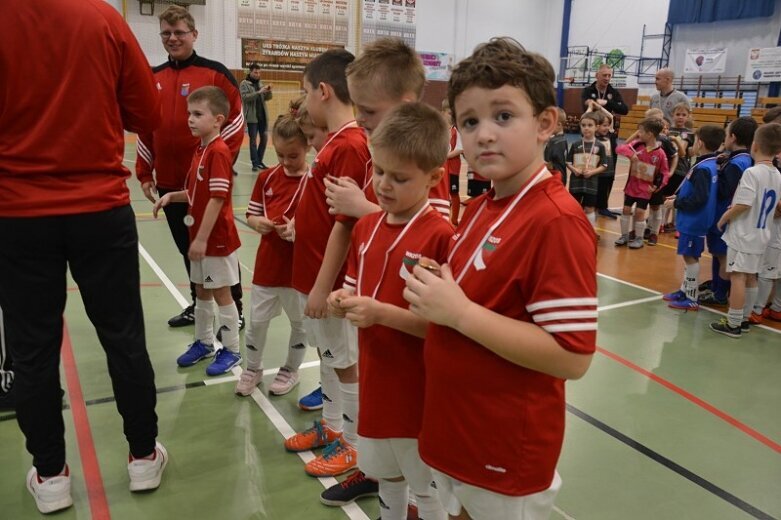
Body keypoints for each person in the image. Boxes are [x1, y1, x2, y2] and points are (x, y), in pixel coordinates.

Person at [403, 37, 596, 520]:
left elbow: (571, 357)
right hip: (459, 428)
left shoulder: (555, 220)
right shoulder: (484, 205)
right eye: (470, 121)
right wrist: (439, 287)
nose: (484, 134)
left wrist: (460, 312)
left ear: (545, 124)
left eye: (503, 116)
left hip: (505, 444)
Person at [0, 0, 166, 513]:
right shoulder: (103, 18)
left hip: (18, 213)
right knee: (123, 337)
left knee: (31, 351)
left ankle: (51, 474)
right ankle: (142, 455)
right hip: (99, 208)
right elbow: (148, 114)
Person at [328, 102, 451, 520]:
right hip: (376, 380)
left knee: (426, 486)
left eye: (399, 178)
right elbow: (351, 288)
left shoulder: (440, 237)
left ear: (434, 177)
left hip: (418, 391)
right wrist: (339, 302)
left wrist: (380, 313)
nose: (383, 185)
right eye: (378, 171)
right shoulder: (365, 227)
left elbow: (443, 328)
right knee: (387, 477)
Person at [283, 49, 371, 479]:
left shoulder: (351, 144)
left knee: (345, 359)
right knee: (330, 355)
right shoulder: (336, 142)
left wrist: (322, 286)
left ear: (323, 91)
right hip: (313, 272)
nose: (302, 100)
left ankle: (353, 444)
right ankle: (333, 427)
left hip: (331, 280)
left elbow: (347, 225)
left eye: (304, 91)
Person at [136, 5, 245, 330]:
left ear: (194, 34)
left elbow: (236, 121)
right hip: (170, 185)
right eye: (166, 33)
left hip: (206, 186)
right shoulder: (153, 77)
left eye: (179, 32)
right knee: (188, 250)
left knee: (218, 248)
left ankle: (235, 308)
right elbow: (145, 126)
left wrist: (216, 166)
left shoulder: (215, 74)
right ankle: (200, 306)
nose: (173, 38)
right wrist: (144, 171)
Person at [153, 87, 243, 375]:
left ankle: (231, 350)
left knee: (221, 294)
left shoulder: (218, 152)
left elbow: (217, 198)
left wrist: (202, 238)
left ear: (217, 120)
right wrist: (172, 197)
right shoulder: (201, 149)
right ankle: (204, 343)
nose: (190, 119)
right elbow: (196, 191)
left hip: (216, 240)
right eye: (188, 114)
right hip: (201, 238)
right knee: (202, 291)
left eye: (197, 114)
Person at [324, 38, 451, 220]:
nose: (359, 120)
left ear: (404, 106)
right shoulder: (382, 153)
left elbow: (432, 230)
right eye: (356, 107)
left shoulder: (424, 156)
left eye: (368, 110)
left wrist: (361, 207)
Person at [235, 114, 310, 397]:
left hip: (298, 271)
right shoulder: (267, 178)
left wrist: (299, 230)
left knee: (300, 324)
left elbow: (323, 226)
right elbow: (252, 213)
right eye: (280, 155)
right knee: (256, 323)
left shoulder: (315, 181)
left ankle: (291, 369)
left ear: (307, 149)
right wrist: (260, 224)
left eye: (293, 155)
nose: (286, 161)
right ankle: (252, 369)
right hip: (267, 266)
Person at [710, 123, 781, 338]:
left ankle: (733, 323)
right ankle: (745, 317)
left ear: (755, 145)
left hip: (744, 234)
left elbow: (744, 204)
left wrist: (723, 219)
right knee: (751, 277)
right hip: (762, 234)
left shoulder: (752, 172)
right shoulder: (778, 174)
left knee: (738, 277)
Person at [662, 125, 723, 311]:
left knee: (690, 257)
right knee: (689, 256)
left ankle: (691, 297)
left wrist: (677, 203)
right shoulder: (711, 163)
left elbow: (699, 198)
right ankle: (684, 290)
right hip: (696, 219)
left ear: (700, 143)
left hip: (694, 220)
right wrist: (679, 197)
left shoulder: (704, 168)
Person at [701, 117, 756, 306]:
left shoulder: (737, 163)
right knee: (718, 253)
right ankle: (717, 286)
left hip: (723, 215)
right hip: (725, 216)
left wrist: (717, 171)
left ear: (732, 137)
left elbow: (725, 190)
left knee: (723, 256)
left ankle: (720, 294)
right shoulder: (742, 159)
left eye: (726, 134)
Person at [614, 118, 670, 249]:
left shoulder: (660, 153)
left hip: (645, 189)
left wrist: (657, 187)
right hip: (631, 186)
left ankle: (639, 238)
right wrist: (630, 154)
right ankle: (624, 236)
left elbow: (664, 173)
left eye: (641, 131)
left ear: (650, 134)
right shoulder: (637, 145)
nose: (639, 134)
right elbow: (619, 148)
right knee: (626, 210)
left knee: (640, 212)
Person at [580, 63, 629, 183]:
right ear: (597, 75)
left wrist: (607, 102)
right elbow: (585, 105)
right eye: (604, 75)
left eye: (609, 75)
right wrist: (592, 103)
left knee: (609, 164)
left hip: (608, 134)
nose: (607, 78)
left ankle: (606, 190)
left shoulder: (613, 92)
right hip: (591, 135)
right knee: (588, 163)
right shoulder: (588, 90)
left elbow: (624, 109)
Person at [567, 112, 608, 234]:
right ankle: (574, 231)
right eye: (583, 125)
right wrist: (575, 170)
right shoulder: (575, 144)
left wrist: (592, 172)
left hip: (591, 183)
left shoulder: (600, 146)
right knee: (575, 207)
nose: (586, 128)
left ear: (596, 127)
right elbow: (568, 162)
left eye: (590, 125)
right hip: (576, 182)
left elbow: (604, 165)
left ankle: (589, 232)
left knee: (589, 208)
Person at [241, 63, 273, 171]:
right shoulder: (244, 84)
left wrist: (268, 91)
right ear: (250, 72)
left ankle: (259, 161)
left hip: (262, 116)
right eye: (255, 72)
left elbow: (267, 98)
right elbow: (245, 98)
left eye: (259, 72)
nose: (257, 74)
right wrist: (259, 92)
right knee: (253, 141)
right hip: (252, 118)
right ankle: (255, 163)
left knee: (264, 139)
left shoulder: (260, 83)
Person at [443, 99, 464, 225]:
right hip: (444, 167)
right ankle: (445, 217)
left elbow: (460, 149)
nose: (451, 116)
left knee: (453, 192)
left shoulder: (456, 130)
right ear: (443, 112)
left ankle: (454, 220)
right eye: (449, 113)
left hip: (453, 167)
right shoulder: (443, 131)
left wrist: (446, 156)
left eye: (453, 114)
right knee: (445, 192)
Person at [544, 107, 569, 186]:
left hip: (556, 179)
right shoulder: (561, 139)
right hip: (559, 177)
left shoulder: (556, 142)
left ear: (559, 124)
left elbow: (550, 163)